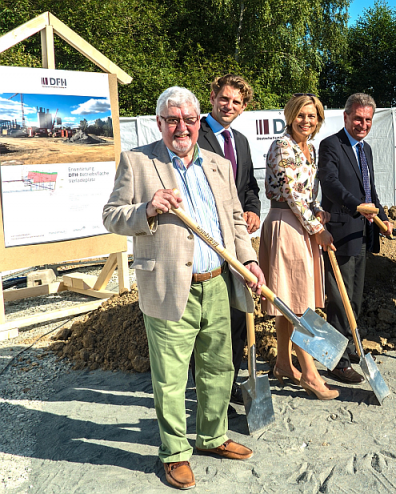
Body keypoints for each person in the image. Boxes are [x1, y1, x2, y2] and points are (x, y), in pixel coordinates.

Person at [102, 86, 265, 490]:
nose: (182, 127)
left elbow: (234, 219)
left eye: (188, 119)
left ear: (198, 121)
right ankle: (174, 453)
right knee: (172, 377)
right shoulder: (138, 162)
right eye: (172, 120)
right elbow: (112, 216)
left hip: (217, 283)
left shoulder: (217, 163)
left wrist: (249, 261)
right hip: (168, 285)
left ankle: (211, 437)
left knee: (218, 367)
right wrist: (147, 208)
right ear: (159, 123)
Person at [259, 93, 339, 400]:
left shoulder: (310, 148)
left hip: (302, 224)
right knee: (299, 303)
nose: (307, 121)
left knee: (290, 299)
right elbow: (290, 194)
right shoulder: (282, 146)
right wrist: (318, 230)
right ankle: (308, 373)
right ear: (291, 115)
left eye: (313, 116)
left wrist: (318, 210)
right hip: (286, 224)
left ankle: (282, 363)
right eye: (302, 115)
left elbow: (306, 193)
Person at [318, 93, 393, 384]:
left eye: (368, 120)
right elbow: (331, 184)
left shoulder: (365, 149)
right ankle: (335, 362)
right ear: (346, 117)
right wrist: (356, 206)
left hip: (362, 232)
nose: (363, 124)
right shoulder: (331, 145)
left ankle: (348, 347)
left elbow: (370, 190)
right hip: (338, 231)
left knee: (355, 298)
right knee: (340, 299)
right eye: (358, 118)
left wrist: (382, 217)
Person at [197, 74, 261, 407]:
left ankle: (231, 381)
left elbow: (249, 186)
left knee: (237, 313)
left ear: (244, 106)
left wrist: (252, 210)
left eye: (236, 102)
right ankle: (204, 382)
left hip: (236, 239)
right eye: (224, 99)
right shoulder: (196, 134)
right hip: (205, 241)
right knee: (207, 316)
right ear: (212, 97)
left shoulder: (241, 141)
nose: (229, 106)